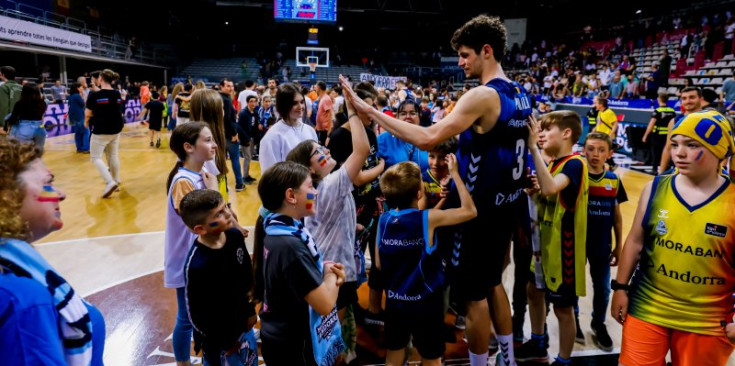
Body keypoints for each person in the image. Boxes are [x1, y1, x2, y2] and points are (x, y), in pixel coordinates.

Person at [341, 15, 533, 366]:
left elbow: (428, 137)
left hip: (478, 210)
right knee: (494, 285)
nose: (460, 62)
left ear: (486, 51)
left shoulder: (482, 95)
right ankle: (506, 359)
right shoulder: (521, 94)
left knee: (474, 298)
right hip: (507, 205)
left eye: (464, 54)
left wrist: (368, 110)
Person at [611, 109, 735, 365]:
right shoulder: (656, 187)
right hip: (647, 307)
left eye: (692, 145)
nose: (679, 152)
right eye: (675, 144)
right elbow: (635, 241)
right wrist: (620, 288)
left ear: (720, 152)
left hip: (708, 321)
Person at [0, 138, 105, 365]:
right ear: (7, 197)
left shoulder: (15, 265)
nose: (61, 193)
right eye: (47, 184)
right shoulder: (21, 299)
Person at [286, 93, 370, 362]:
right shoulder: (331, 185)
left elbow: (325, 217)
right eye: (318, 152)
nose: (326, 150)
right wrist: (353, 112)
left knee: (333, 330)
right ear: (309, 168)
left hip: (326, 263)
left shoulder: (317, 188)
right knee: (329, 337)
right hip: (333, 270)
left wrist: (350, 224)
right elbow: (362, 151)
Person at [376, 156, 477, 366]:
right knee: (431, 360)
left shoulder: (383, 220)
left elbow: (378, 264)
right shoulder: (428, 218)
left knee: (394, 357)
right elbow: (470, 211)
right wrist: (456, 174)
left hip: (395, 303)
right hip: (425, 305)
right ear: (419, 193)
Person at [254, 161, 346, 366]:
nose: (316, 192)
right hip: (293, 345)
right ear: (291, 196)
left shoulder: (277, 229)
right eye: (310, 187)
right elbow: (324, 304)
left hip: (281, 336)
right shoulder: (291, 246)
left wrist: (322, 270)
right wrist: (332, 275)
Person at [518, 111, 588, 366]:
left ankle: (564, 360)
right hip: (545, 247)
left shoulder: (575, 163)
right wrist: (533, 192)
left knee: (563, 308)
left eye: (547, 130)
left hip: (564, 251)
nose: (542, 134)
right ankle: (538, 342)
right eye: (540, 130)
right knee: (533, 292)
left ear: (567, 133)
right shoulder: (556, 164)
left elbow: (550, 188)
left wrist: (533, 147)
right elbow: (548, 195)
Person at [180, 189, 257, 366]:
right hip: (219, 343)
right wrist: (225, 342)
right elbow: (197, 316)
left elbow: (246, 276)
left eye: (226, 207)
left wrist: (251, 310)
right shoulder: (197, 265)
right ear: (200, 229)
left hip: (243, 326)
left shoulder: (235, 236)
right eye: (219, 214)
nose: (229, 214)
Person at [164, 122, 219, 366]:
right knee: (185, 319)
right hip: (187, 263)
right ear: (188, 147)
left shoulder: (201, 175)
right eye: (207, 140)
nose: (214, 144)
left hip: (200, 259)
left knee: (200, 315)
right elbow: (201, 221)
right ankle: (182, 363)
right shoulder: (183, 181)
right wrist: (214, 193)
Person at [578, 131, 627, 352]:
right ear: (583, 150)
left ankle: (598, 323)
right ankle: (573, 321)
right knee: (572, 286)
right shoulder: (576, 176)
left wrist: (619, 245)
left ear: (610, 153)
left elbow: (617, 216)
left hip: (602, 244)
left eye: (600, 150)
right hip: (576, 242)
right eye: (590, 149)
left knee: (603, 288)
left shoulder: (614, 180)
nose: (595, 154)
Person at [258, 83, 318, 174]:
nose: (300, 107)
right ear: (284, 105)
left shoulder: (310, 130)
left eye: (302, 102)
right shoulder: (272, 137)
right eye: (294, 103)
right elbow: (269, 175)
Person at [85, 69, 124, 198]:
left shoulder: (94, 95)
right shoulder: (117, 93)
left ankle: (109, 182)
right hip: (116, 128)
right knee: (113, 155)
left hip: (102, 129)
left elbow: (88, 113)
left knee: (95, 157)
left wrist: (86, 122)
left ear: (100, 79)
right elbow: (106, 96)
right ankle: (116, 181)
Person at [190, 89, 230, 201]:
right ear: (213, 113)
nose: (223, 111)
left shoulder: (213, 138)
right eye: (221, 108)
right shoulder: (202, 147)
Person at [659, 87, 703, 174]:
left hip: (704, 171)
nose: (688, 101)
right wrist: (660, 174)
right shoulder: (674, 121)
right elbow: (668, 148)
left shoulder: (710, 119)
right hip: (681, 171)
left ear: (700, 99)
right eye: (684, 98)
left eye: (692, 97)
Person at [377, 100, 429, 171]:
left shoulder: (428, 137)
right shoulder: (383, 139)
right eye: (403, 114)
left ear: (419, 116)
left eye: (412, 113)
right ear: (397, 117)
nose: (408, 117)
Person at [6, 83, 47, 152]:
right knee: (38, 154)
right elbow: (42, 118)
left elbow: (13, 119)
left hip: (24, 129)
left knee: (25, 154)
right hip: (40, 129)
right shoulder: (43, 103)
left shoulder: (19, 103)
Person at [643, 93, 677, 174]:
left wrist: (645, 135)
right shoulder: (672, 111)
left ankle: (654, 169)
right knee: (667, 150)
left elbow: (651, 124)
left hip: (657, 135)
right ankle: (667, 167)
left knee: (656, 152)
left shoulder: (657, 111)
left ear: (659, 100)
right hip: (668, 135)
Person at [219, 78, 243, 191]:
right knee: (234, 159)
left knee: (221, 161)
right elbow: (227, 119)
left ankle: (224, 186)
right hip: (229, 135)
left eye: (232, 86)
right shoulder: (227, 100)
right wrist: (234, 133)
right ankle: (239, 184)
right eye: (228, 86)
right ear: (221, 87)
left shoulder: (218, 98)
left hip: (220, 134)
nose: (231, 88)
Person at [422, 137, 457, 209]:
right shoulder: (421, 182)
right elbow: (422, 217)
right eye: (432, 156)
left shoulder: (457, 180)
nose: (435, 163)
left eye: (442, 158)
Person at [238, 95, 260, 188]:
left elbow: (255, 126)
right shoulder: (243, 113)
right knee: (247, 157)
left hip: (252, 138)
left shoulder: (255, 113)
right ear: (247, 102)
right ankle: (244, 177)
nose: (253, 103)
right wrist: (245, 138)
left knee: (249, 157)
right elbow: (239, 127)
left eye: (255, 101)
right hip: (245, 139)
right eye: (251, 101)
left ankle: (247, 175)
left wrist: (255, 138)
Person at [68, 82, 89, 153]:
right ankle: (86, 148)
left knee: (78, 133)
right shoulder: (77, 96)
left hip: (74, 118)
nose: (82, 88)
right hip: (80, 116)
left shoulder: (71, 96)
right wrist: (83, 96)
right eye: (81, 87)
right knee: (86, 132)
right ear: (78, 88)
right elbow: (83, 104)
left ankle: (79, 148)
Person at [0, 66, 22, 130]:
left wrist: (3, 125)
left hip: (9, 123)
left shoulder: (3, 87)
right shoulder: (22, 87)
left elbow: (3, 106)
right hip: (22, 122)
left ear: (3, 75)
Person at [314, 81, 333, 145]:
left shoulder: (326, 99)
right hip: (321, 128)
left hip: (325, 129)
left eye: (316, 87)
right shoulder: (322, 98)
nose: (315, 89)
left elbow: (329, 115)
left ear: (319, 88)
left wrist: (329, 130)